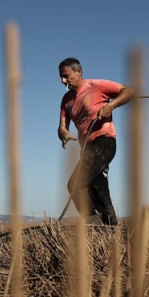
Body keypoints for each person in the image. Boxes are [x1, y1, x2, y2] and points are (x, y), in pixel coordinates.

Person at [57, 57, 135, 226]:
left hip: (104, 142)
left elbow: (129, 92)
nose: (64, 81)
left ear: (79, 71)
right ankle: (111, 229)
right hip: (87, 148)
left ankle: (95, 227)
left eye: (66, 76)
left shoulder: (97, 86)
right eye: (61, 77)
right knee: (98, 190)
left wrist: (110, 106)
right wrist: (63, 133)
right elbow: (62, 127)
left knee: (74, 185)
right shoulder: (66, 100)